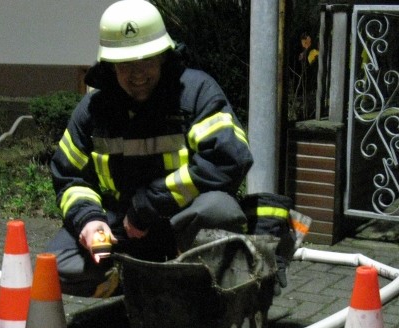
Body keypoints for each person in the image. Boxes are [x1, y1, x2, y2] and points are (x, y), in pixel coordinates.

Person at [47, 0, 255, 298]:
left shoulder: (196, 92)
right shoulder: (93, 110)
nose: (138, 74)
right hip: (123, 228)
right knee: (57, 266)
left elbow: (228, 158)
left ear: (163, 56)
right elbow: (70, 178)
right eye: (126, 65)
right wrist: (90, 220)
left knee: (219, 211)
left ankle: (196, 289)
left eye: (147, 60)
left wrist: (150, 205)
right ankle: (145, 286)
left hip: (183, 222)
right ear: (109, 66)